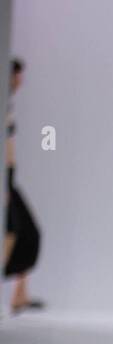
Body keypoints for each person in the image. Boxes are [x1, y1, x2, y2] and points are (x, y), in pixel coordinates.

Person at [5, 58, 42, 314]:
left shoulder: (7, 104)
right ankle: (18, 293)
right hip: (4, 176)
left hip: (8, 175)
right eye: (17, 75)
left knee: (25, 231)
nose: (20, 81)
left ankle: (20, 293)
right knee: (13, 231)